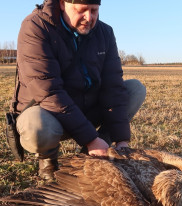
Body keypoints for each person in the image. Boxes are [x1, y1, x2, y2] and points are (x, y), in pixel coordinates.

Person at [12, 0, 146, 180]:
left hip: (86, 108)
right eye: (81, 10)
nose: (89, 18)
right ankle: (48, 163)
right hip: (49, 112)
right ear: (62, 4)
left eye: (94, 10)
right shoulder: (35, 27)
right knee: (36, 126)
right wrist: (90, 138)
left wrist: (122, 140)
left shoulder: (105, 32)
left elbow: (112, 86)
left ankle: (93, 154)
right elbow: (49, 92)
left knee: (135, 89)